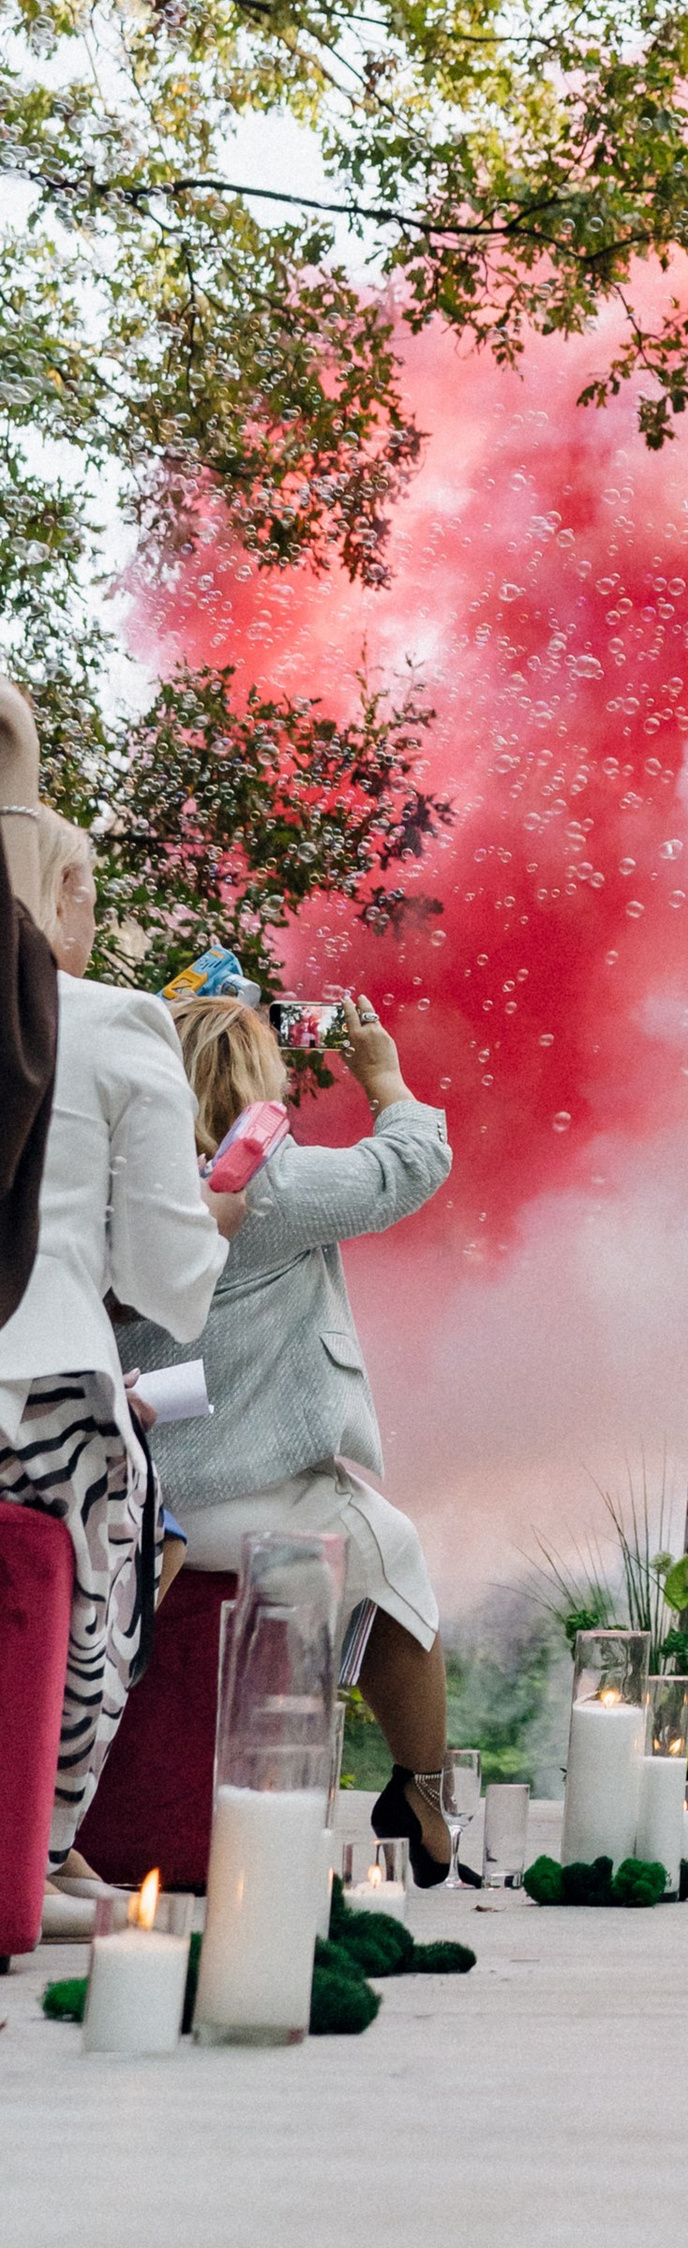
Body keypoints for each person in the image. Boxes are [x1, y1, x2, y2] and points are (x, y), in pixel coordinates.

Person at [120, 986, 456, 1878]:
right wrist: (383, 1077)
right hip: (246, 1499)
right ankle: (425, 1790)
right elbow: (409, 1167)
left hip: (138, 1490)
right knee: (396, 1554)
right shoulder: (265, 1182)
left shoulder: (123, 1181)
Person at [0, 806, 234, 1892]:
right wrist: (213, 1219)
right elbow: (162, 1275)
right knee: (76, 1639)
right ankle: (27, 1864)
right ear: (64, 896)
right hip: (47, 1380)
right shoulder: (112, 1019)